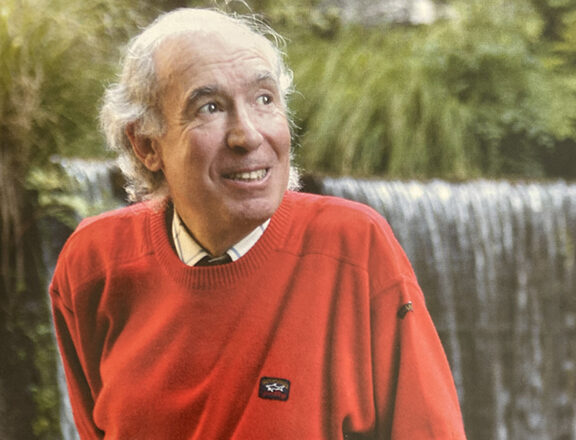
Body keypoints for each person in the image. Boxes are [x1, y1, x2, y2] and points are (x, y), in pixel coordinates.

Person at [50, 8, 467, 439]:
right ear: (145, 146)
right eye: (210, 107)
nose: (248, 135)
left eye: (264, 99)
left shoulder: (354, 248)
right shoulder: (94, 264)